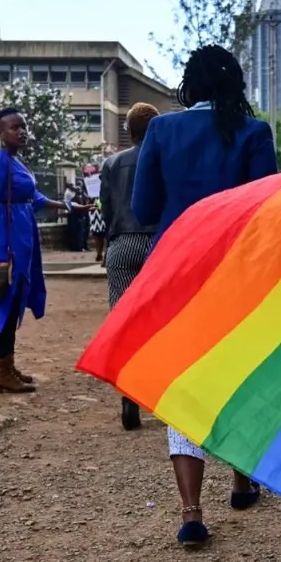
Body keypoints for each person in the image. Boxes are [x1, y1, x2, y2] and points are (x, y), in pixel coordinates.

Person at [132, 43, 279, 547]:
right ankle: (241, 479)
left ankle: (191, 511)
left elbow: (144, 206)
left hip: (174, 272)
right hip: (236, 276)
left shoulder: (161, 130)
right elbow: (268, 214)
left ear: (188, 87)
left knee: (183, 382)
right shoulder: (255, 133)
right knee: (237, 375)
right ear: (234, 87)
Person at [0, 108, 94, 393]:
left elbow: (35, 197)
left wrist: (70, 207)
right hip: (3, 236)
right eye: (13, 127)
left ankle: (5, 365)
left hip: (19, 234)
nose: (21, 131)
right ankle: (1, 371)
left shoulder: (15, 160)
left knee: (15, 296)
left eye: (23, 126)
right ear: (1, 132)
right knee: (6, 296)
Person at [99, 102, 161, 431]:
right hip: (157, 244)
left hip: (123, 243)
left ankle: (128, 397)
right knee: (161, 320)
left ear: (128, 130)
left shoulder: (112, 163)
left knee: (124, 321)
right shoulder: (165, 159)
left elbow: (106, 209)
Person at [84, 163, 108, 262]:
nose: (90, 174)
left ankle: (106, 254)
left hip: (103, 206)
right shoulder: (85, 183)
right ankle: (99, 253)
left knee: (106, 232)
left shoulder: (103, 179)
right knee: (96, 232)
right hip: (93, 209)